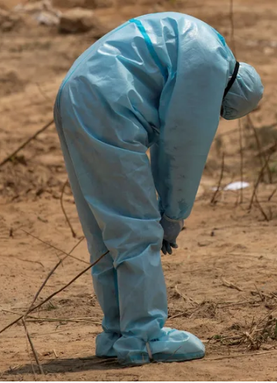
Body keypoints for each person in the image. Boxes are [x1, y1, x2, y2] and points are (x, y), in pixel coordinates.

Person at [53, 12, 263, 366]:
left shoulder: (201, 39)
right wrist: (172, 213)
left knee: (106, 230)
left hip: (75, 93)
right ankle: (145, 338)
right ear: (226, 95)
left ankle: (117, 332)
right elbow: (183, 145)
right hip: (109, 105)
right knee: (137, 229)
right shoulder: (210, 64)